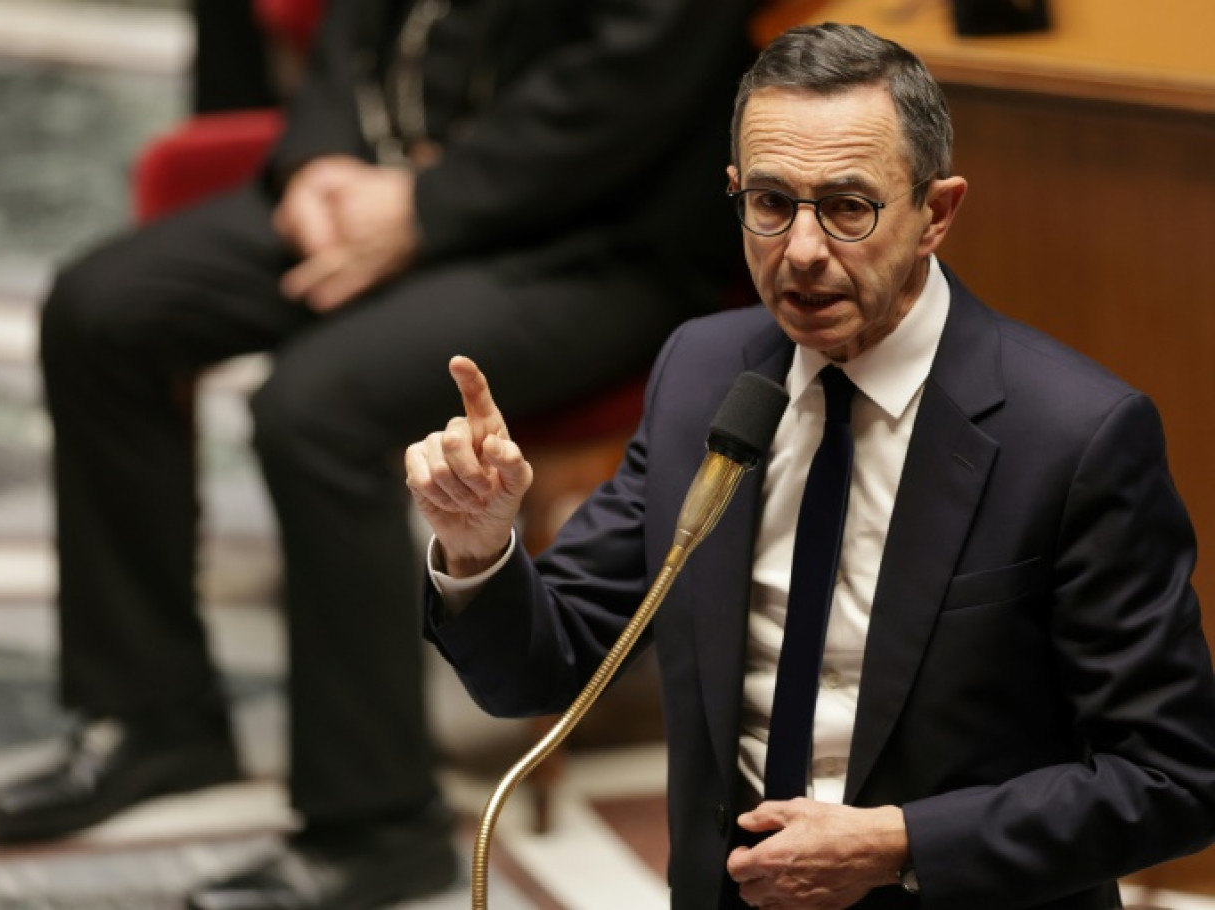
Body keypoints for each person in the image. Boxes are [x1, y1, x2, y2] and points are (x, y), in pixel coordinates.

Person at [408, 22, 1215, 910]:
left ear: (935, 213)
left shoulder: (1075, 435)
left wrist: (901, 844)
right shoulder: (703, 377)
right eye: (770, 203)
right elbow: (543, 668)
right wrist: (481, 548)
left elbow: (1174, 779)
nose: (800, 251)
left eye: (847, 208)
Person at [0, 0, 760, 908]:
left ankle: (377, 822)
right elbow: (347, 23)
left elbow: (635, 85)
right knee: (100, 312)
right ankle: (155, 715)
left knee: (315, 406)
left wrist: (425, 208)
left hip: (587, 234)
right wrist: (317, 165)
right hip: (384, 183)